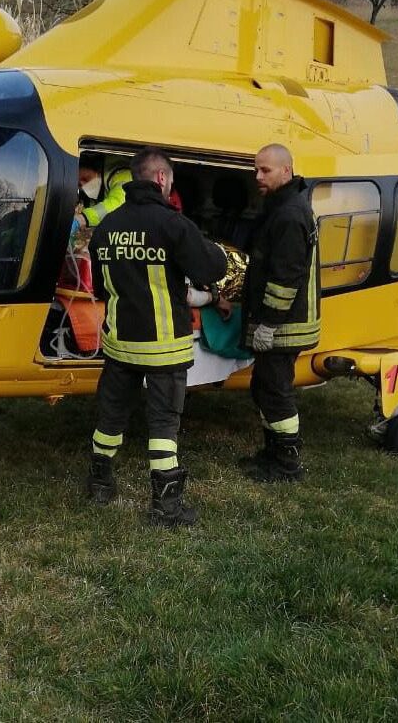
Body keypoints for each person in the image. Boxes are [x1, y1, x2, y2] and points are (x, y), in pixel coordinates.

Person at [87, 146, 228, 527]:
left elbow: (101, 287)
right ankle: (166, 505)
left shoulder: (106, 227)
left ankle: (100, 482)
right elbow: (211, 267)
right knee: (164, 424)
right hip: (164, 345)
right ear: (162, 179)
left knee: (111, 416)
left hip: (120, 343)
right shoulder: (173, 224)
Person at [242, 143, 321, 482]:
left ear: (286, 171)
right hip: (280, 323)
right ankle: (272, 453)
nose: (258, 176)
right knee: (264, 387)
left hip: (284, 326)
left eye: (265, 170)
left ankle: (287, 464)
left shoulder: (290, 214)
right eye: (256, 169)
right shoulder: (283, 207)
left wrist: (269, 325)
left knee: (275, 391)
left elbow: (285, 277)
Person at [70, 153, 132, 237]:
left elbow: (118, 204)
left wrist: (82, 219)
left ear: (98, 170)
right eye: (79, 185)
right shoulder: (93, 197)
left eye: (85, 178)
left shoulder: (122, 174)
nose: (84, 185)